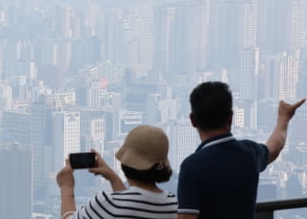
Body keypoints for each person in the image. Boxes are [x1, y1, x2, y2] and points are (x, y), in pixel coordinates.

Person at [177, 81, 306, 219]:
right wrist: (283, 119)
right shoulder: (249, 153)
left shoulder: (192, 167)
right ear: (231, 117)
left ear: (193, 120)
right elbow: (274, 148)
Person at [57, 125, 178, 219]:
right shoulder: (173, 205)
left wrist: (66, 187)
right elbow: (130, 207)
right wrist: (113, 177)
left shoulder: (108, 203)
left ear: (125, 164)